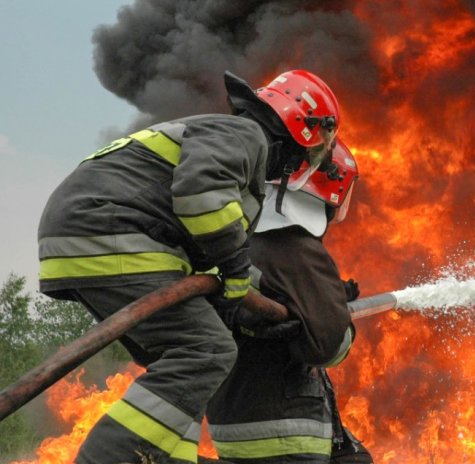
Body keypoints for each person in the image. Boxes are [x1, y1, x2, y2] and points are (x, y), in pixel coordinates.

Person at [37, 69, 341, 464]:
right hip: (111, 229)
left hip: (90, 232)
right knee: (207, 351)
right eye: (313, 150)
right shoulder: (246, 135)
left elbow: (204, 245)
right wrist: (236, 270)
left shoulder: (225, 137)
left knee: (183, 366)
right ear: (302, 128)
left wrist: (249, 298)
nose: (303, 162)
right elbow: (201, 198)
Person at [206, 140, 373, 463]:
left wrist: (325, 298)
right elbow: (328, 346)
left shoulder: (240, 242)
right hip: (285, 429)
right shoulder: (296, 248)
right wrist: (337, 316)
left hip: (233, 420)